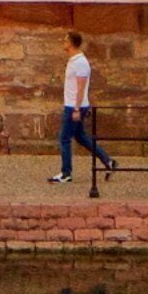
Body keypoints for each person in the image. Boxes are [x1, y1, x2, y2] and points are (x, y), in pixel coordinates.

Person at [54, 32, 116, 183]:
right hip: (72, 104)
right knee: (81, 137)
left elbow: (81, 88)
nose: (63, 42)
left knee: (64, 139)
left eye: (65, 40)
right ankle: (108, 161)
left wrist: (76, 109)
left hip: (74, 106)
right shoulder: (73, 60)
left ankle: (66, 173)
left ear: (71, 43)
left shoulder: (81, 63)